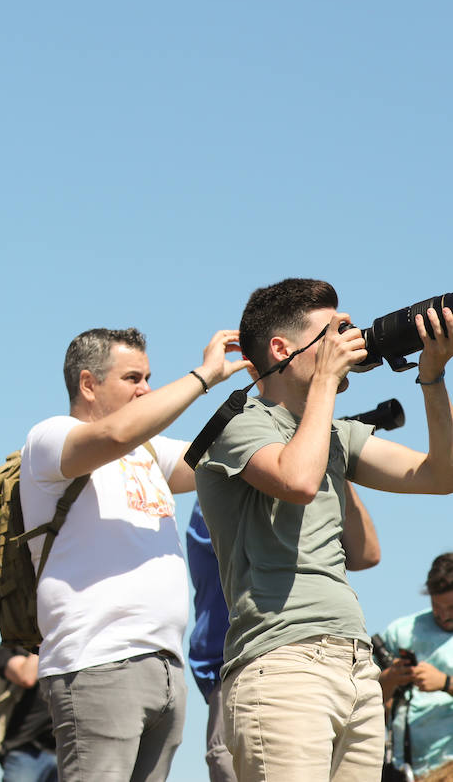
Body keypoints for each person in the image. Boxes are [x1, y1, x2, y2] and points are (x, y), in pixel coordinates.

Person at [195, 278, 453, 782]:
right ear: (281, 349)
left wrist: (432, 377)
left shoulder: (334, 433)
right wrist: (326, 384)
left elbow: (440, 477)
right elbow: (296, 480)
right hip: (283, 663)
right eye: (334, 332)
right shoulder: (238, 423)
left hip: (355, 666)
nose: (348, 342)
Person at [20, 325, 246, 782]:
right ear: (88, 384)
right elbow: (116, 433)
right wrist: (205, 375)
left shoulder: (148, 452)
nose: (146, 389)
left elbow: (226, 461)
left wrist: (277, 385)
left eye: (148, 378)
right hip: (98, 661)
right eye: (133, 378)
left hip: (164, 667)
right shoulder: (51, 437)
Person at [185, 485, 380, 782]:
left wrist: (338, 472)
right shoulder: (234, 480)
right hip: (256, 666)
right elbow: (297, 484)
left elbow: (367, 553)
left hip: (335, 668)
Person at [378, 553, 453, 778]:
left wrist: (444, 682)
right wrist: (390, 678)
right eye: (436, 606)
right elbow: (364, 696)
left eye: (451, 607)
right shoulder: (401, 631)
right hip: (403, 767)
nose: (443, 615)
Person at [0, 644, 57, 782]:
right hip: (25, 750)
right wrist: (45, 640)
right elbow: (26, 676)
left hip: (67, 747)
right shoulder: (10, 647)